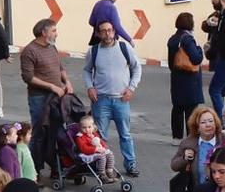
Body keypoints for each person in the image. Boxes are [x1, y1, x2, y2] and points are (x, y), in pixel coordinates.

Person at [83, 17, 142, 178]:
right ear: (98, 33)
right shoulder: (94, 51)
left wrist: (131, 88)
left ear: (114, 31)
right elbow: (87, 70)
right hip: (100, 100)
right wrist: (90, 87)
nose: (107, 34)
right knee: (99, 136)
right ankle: (101, 167)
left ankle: (130, 164)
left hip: (121, 100)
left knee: (125, 135)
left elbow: (137, 68)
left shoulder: (124, 48)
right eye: (103, 31)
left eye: (109, 30)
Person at [18, 18, 74, 179]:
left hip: (57, 97)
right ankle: (34, 171)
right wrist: (51, 86)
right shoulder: (30, 51)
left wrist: (67, 82)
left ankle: (57, 168)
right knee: (38, 134)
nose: (56, 34)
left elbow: (60, 68)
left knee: (56, 133)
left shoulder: (52, 47)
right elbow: (28, 77)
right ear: (44, 32)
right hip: (39, 98)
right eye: (53, 30)